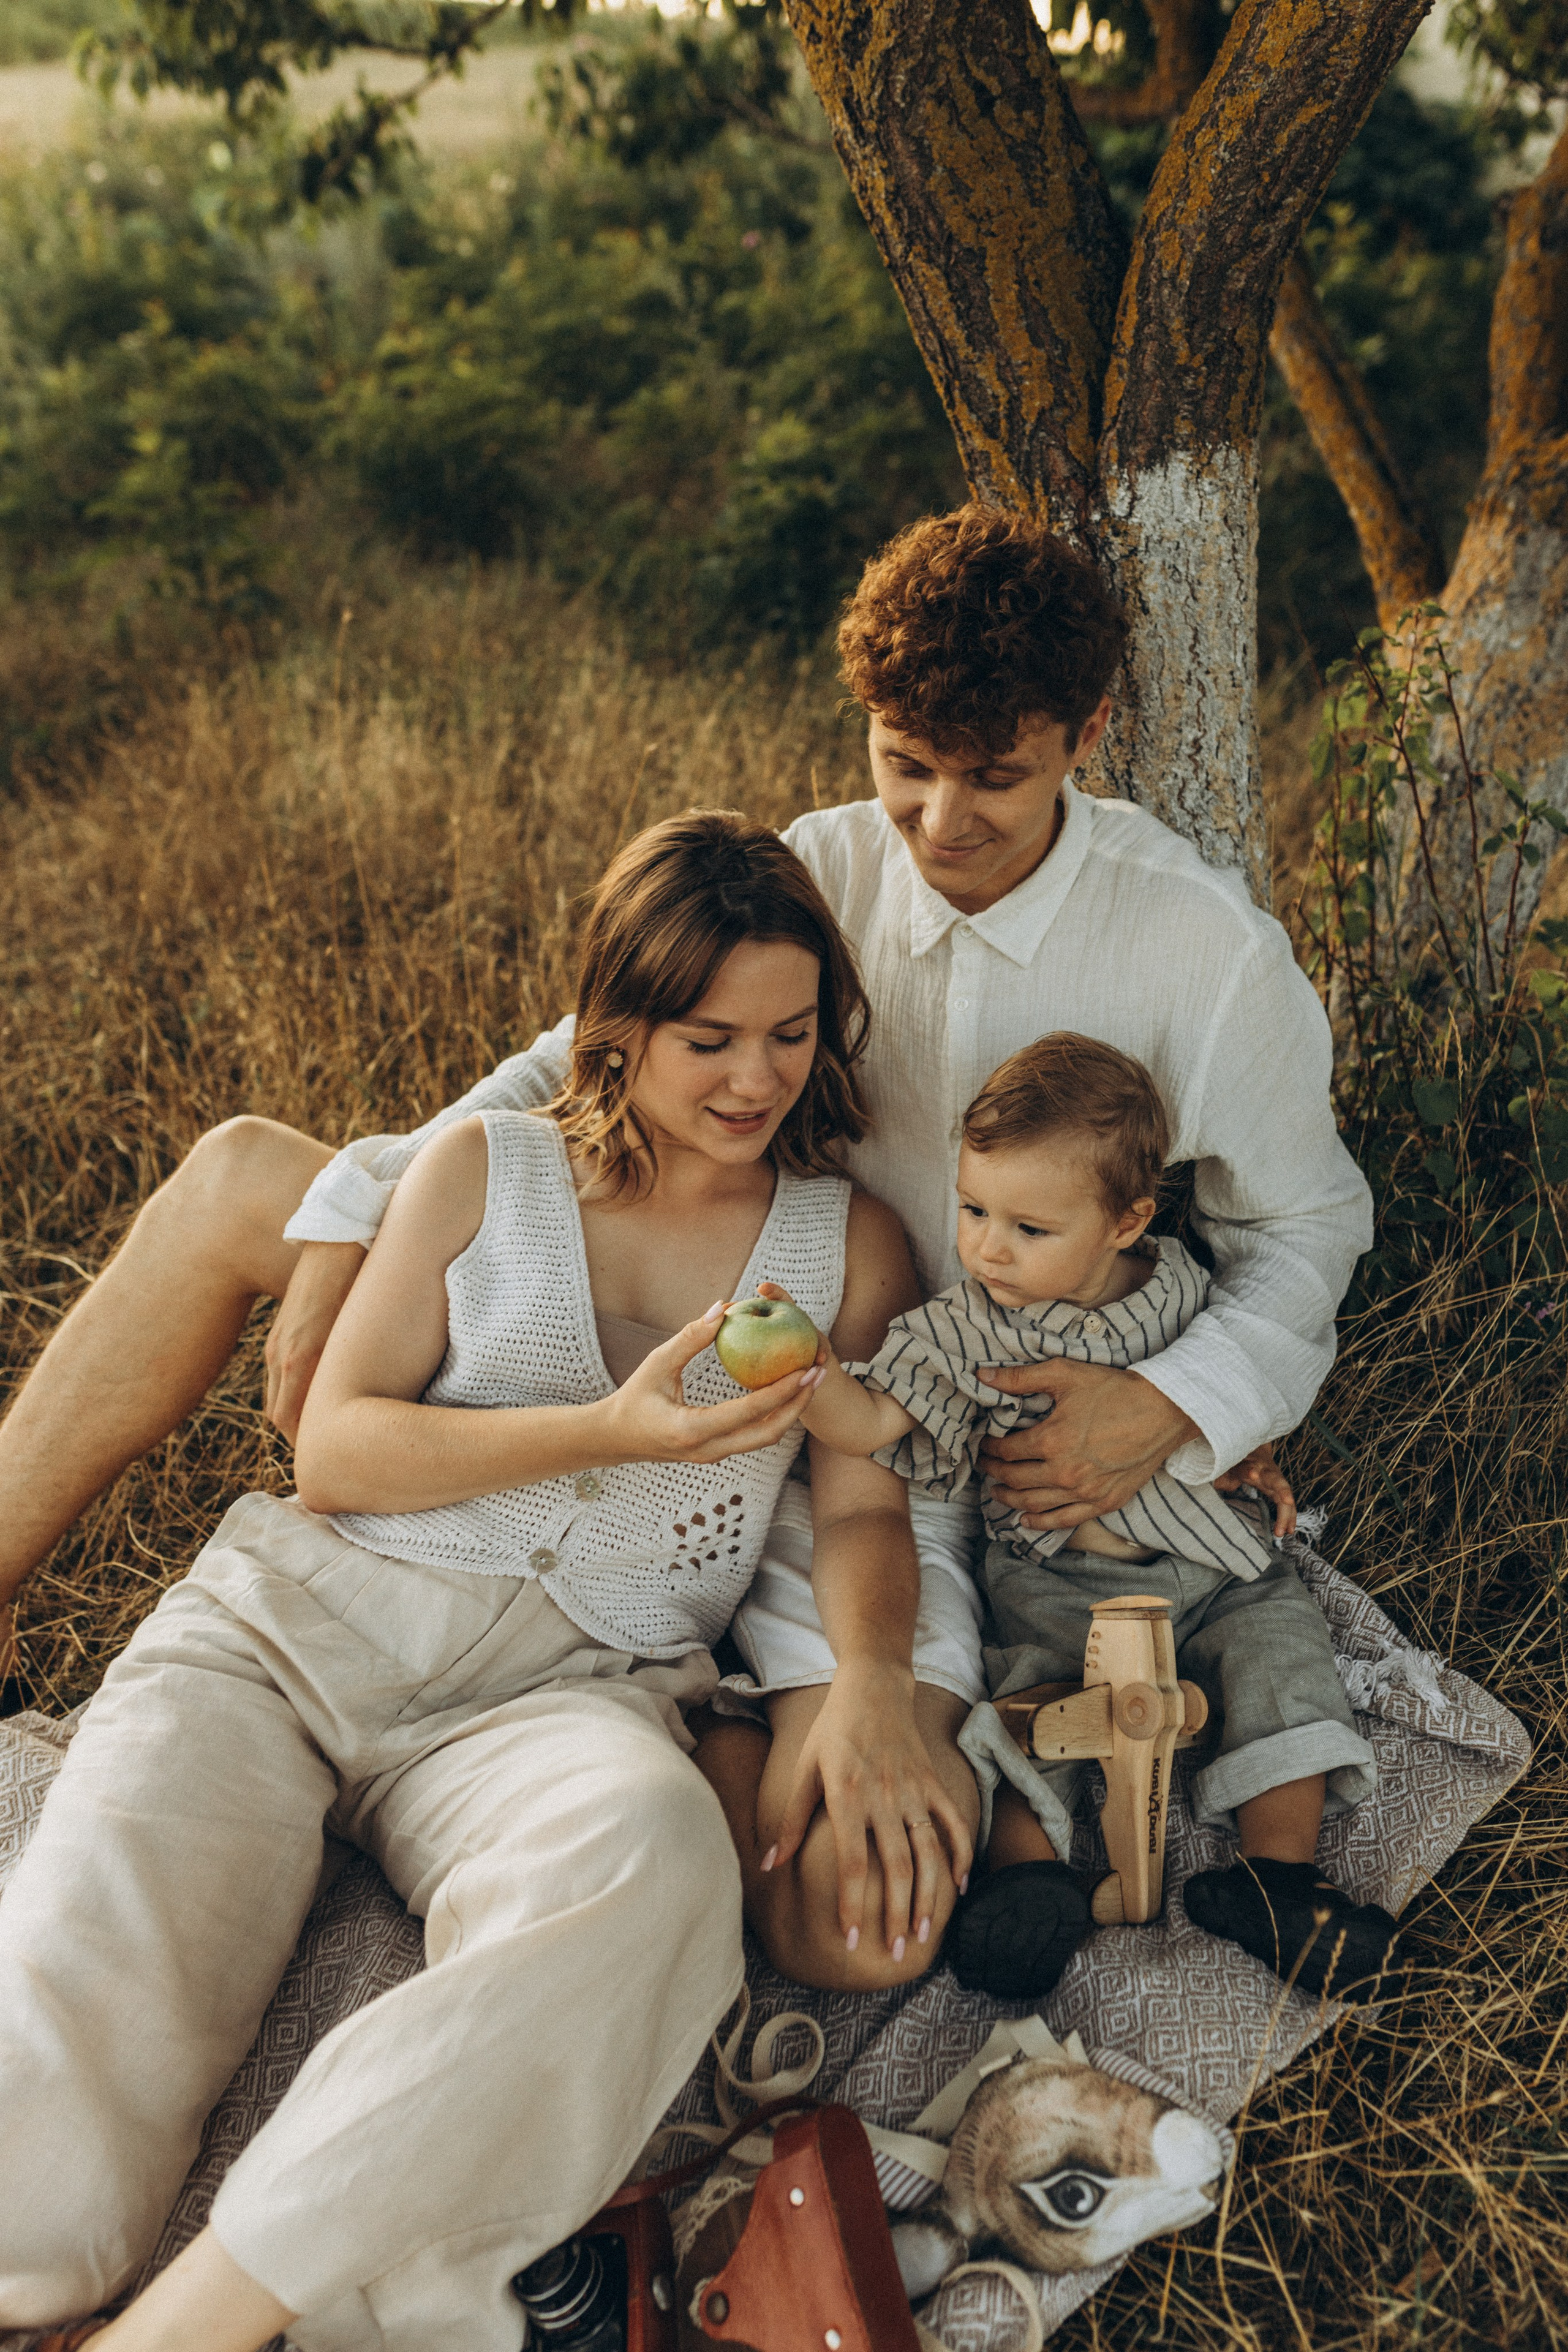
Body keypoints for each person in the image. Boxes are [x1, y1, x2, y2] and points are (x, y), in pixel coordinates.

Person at [0, 502, 1371, 1952]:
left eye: (994, 778)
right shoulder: (822, 869)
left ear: (1085, 733)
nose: (939, 823)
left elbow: (1303, 1230)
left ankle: (706, 1740)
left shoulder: (1204, 950)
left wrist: (1170, 1402)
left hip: (895, 1412)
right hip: (682, 1278)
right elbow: (574, 1060)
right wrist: (361, 1212)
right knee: (234, 1180)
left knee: (861, 1921)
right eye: (903, 767)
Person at [0, 814, 974, 2352]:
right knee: (88, 1955)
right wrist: (607, 1428)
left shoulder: (841, 1245)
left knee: (657, 1866)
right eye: (706, 1038)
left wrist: (866, 1681)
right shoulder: (480, 1168)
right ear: (611, 1031)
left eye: (791, 1034)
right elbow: (336, 1450)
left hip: (573, 1694)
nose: (753, 1078)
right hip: (295, 1629)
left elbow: (862, 1512)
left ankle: (204, 2323)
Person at [796, 1031, 1398, 2004]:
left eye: (1029, 1228)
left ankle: (1275, 1875)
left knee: (1284, 1649)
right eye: (973, 1208)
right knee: (1033, 1706)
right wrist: (813, 1381)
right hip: (1056, 1583)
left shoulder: (1176, 1284)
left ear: (1128, 1221)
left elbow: (1223, 1383)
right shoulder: (964, 1327)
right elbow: (874, 1418)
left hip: (1210, 1568)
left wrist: (1247, 1445)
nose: (988, 1246)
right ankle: (1027, 1883)